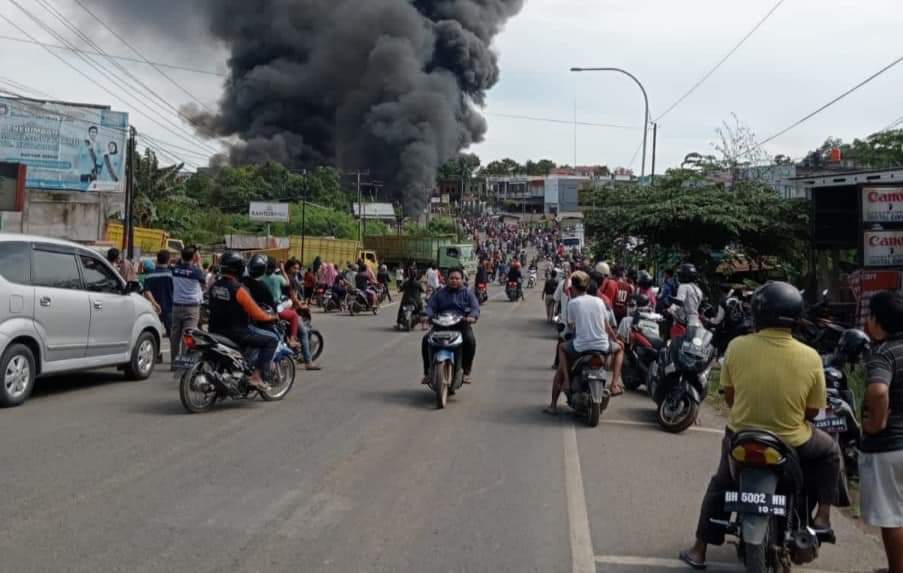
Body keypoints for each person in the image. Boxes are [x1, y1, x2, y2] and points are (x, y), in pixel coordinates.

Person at [679, 282, 842, 570]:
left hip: (741, 438)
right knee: (829, 451)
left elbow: (729, 397)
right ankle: (823, 517)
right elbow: (813, 411)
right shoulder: (811, 356)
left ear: (758, 313)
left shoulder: (737, 346)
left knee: (720, 484)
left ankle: (699, 550)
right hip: (793, 443)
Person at [861, 290, 903, 573]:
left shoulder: (883, 353)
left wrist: (874, 424)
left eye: (869, 316)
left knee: (893, 517)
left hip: (891, 446)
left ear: (878, 320)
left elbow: (878, 390)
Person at [544, 271, 611, 415]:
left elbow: (571, 326)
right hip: (603, 346)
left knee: (561, 352)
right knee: (616, 350)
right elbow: (607, 324)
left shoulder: (573, 303)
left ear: (573, 287)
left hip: (581, 346)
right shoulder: (600, 301)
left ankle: (556, 401)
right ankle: (615, 383)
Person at [208, 252, 277, 389]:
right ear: (239, 268)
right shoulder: (239, 289)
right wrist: (271, 317)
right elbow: (257, 314)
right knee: (272, 340)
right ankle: (256, 376)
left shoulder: (214, 286)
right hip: (237, 332)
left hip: (215, 330)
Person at [421, 269, 480, 385]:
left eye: (457, 278)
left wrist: (472, 317)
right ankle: (428, 372)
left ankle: (466, 372)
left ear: (462, 280)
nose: (454, 281)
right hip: (440, 324)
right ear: (447, 279)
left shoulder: (467, 293)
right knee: (425, 340)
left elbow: (475, 308)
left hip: (461, 324)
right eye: (452, 278)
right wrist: (426, 315)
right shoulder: (439, 293)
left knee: (470, 340)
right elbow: (430, 307)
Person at [170, 246, 206, 365]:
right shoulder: (196, 272)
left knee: (175, 336)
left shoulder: (175, 269)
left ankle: (174, 362)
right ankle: (183, 363)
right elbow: (204, 284)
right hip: (191, 308)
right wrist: (199, 262)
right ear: (194, 257)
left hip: (176, 306)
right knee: (188, 336)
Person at [143, 250, 173, 336]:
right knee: (172, 334)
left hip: (154, 309)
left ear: (157, 260)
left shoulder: (149, 275)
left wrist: (155, 303)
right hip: (170, 308)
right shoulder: (171, 275)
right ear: (168, 260)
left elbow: (146, 291)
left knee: (154, 333)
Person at [670, 263, 704, 338]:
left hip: (686, 323)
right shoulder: (697, 288)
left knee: (682, 347)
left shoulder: (683, 287)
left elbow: (679, 302)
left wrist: (671, 309)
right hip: (697, 322)